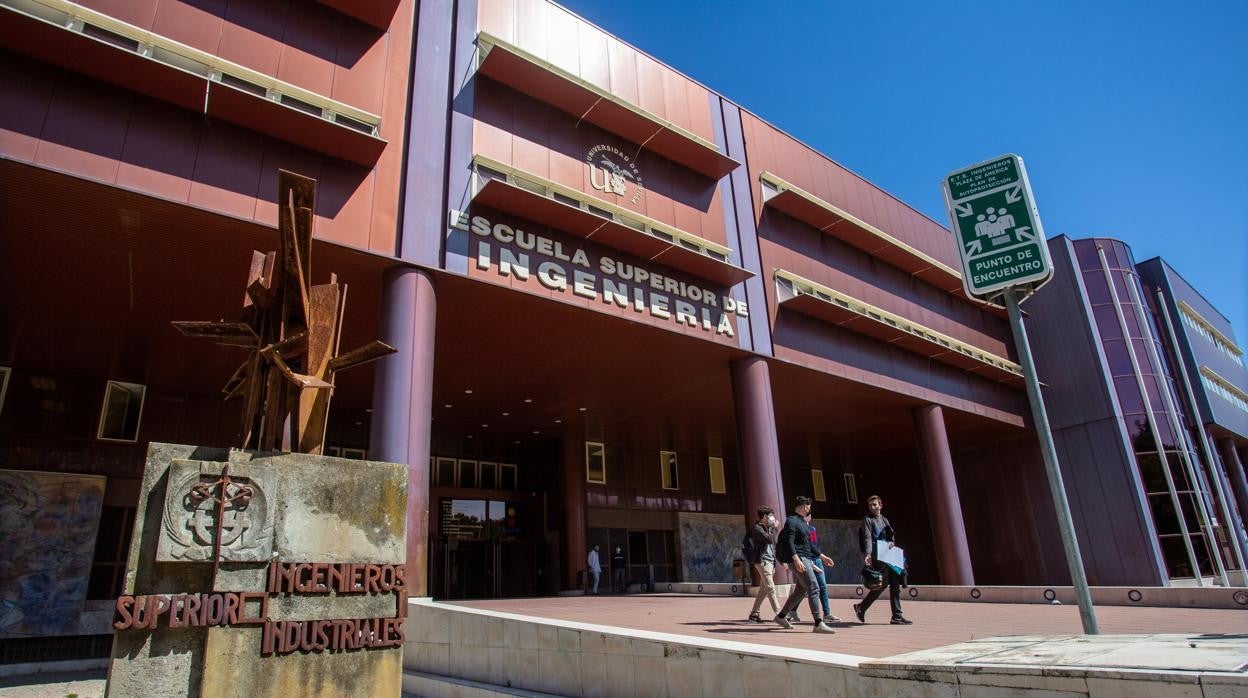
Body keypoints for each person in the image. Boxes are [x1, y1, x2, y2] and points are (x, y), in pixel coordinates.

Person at [775, 496, 836, 633]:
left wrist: (822, 556)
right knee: (814, 586)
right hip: (798, 559)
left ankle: (781, 616)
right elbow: (790, 541)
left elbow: (808, 545)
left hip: (806, 558)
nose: (810, 509)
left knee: (800, 591)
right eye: (809, 506)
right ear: (804, 506)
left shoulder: (803, 523)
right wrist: (796, 559)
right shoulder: (791, 521)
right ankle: (818, 623)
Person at [853, 495, 912, 625]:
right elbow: (867, 537)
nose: (873, 507)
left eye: (875, 504)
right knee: (881, 584)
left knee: (895, 584)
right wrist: (868, 554)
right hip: (878, 555)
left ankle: (896, 616)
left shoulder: (884, 520)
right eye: (870, 505)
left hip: (888, 554)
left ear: (880, 505)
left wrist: (892, 542)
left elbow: (891, 536)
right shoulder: (867, 519)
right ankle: (861, 607)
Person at [745, 506, 781, 622]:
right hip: (762, 561)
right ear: (765, 516)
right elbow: (769, 540)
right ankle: (780, 614)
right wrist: (774, 528)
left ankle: (754, 614)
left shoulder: (768, 528)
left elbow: (774, 542)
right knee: (771, 588)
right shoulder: (757, 528)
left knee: (764, 589)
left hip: (771, 561)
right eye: (770, 515)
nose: (772, 517)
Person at [805, 513, 840, 622]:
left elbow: (815, 545)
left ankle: (827, 613)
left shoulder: (812, 528)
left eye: (809, 514)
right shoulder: (801, 529)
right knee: (803, 589)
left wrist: (821, 557)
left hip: (818, 559)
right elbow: (805, 546)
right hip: (807, 560)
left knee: (823, 587)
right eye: (805, 514)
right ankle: (791, 611)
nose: (807, 516)